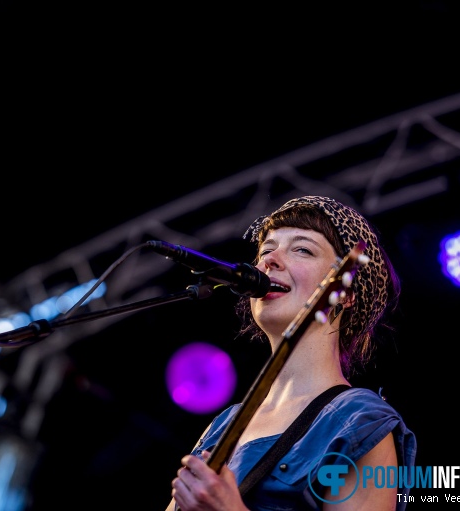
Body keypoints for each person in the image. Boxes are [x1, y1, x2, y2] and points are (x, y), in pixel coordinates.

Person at [166, 196, 417, 511]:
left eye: (302, 249)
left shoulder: (358, 421)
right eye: (266, 250)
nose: (270, 260)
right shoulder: (223, 425)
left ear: (347, 293)